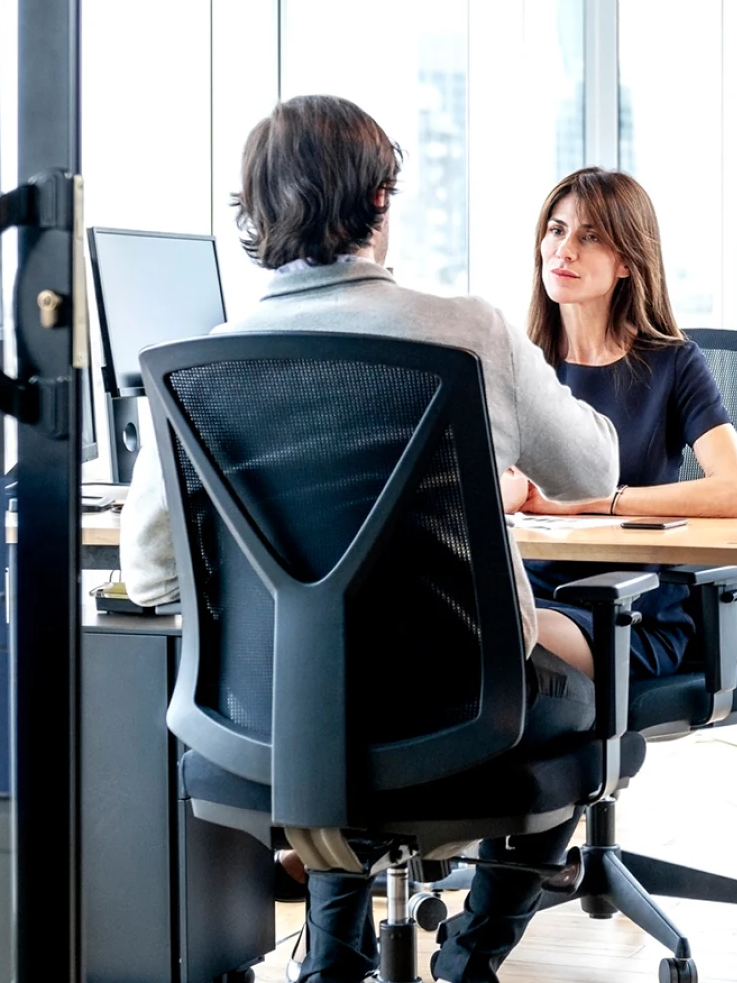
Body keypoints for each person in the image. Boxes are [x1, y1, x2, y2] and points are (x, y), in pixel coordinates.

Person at [119, 96, 620, 983]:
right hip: (471, 718)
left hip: (265, 724)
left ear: (254, 212)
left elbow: (151, 575)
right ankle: (469, 960)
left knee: (328, 711)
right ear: (381, 200)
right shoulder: (471, 331)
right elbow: (591, 472)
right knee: (595, 714)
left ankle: (334, 960)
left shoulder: (196, 363)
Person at [502, 167, 737, 681]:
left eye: (589, 236)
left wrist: (594, 499)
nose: (564, 249)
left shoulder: (674, 363)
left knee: (501, 642)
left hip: (628, 612)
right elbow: (501, 488)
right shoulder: (521, 361)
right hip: (525, 590)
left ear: (625, 262)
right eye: (556, 229)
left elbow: (735, 492)